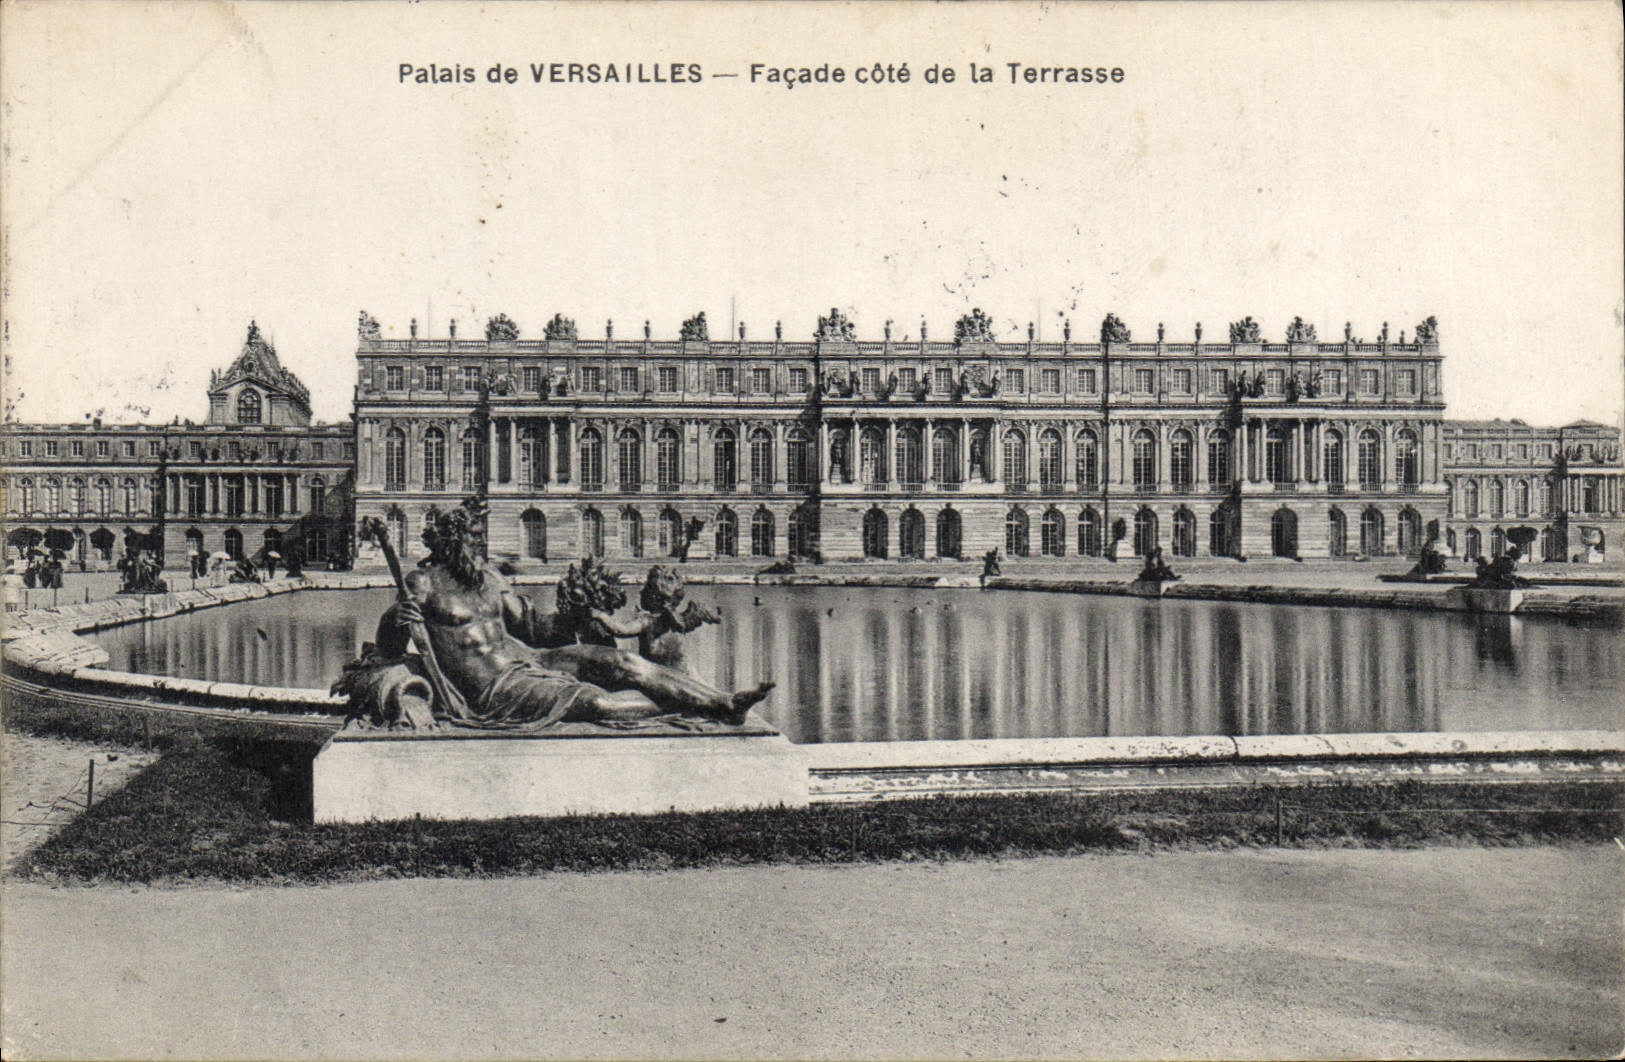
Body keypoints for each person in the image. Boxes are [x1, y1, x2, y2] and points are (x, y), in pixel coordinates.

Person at [354, 506, 772, 729]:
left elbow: (536, 630)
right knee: (598, 703)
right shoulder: (423, 583)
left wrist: (577, 611)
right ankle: (688, 707)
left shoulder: (491, 578)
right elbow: (390, 648)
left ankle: (721, 703)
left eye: (479, 539)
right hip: (494, 689)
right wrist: (395, 616)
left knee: (621, 662)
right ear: (451, 542)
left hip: (529, 663)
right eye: (473, 539)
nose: (479, 546)